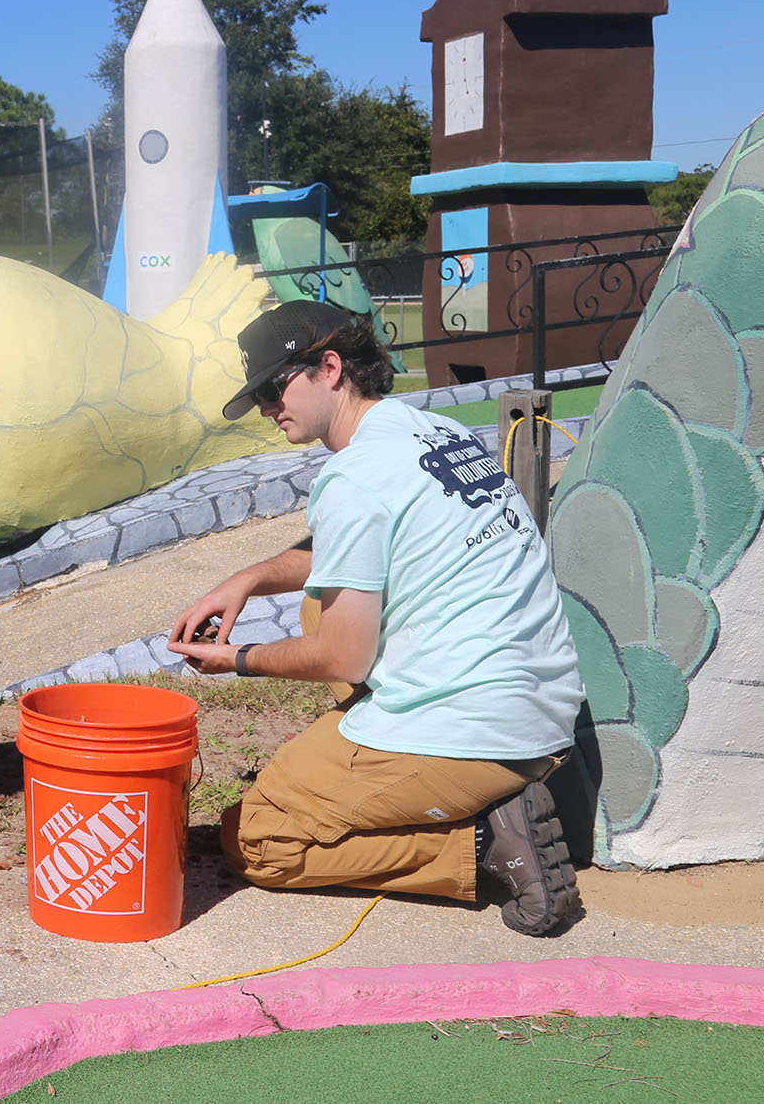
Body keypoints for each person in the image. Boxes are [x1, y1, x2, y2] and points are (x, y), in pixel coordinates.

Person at [167, 299, 585, 938]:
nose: (266, 409)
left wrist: (238, 660)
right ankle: (456, 787)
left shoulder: (355, 477)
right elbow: (353, 555)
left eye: (273, 388)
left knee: (257, 839)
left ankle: (480, 846)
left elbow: (342, 660)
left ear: (329, 368)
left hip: (470, 726)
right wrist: (248, 578)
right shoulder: (434, 433)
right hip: (543, 706)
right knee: (319, 599)